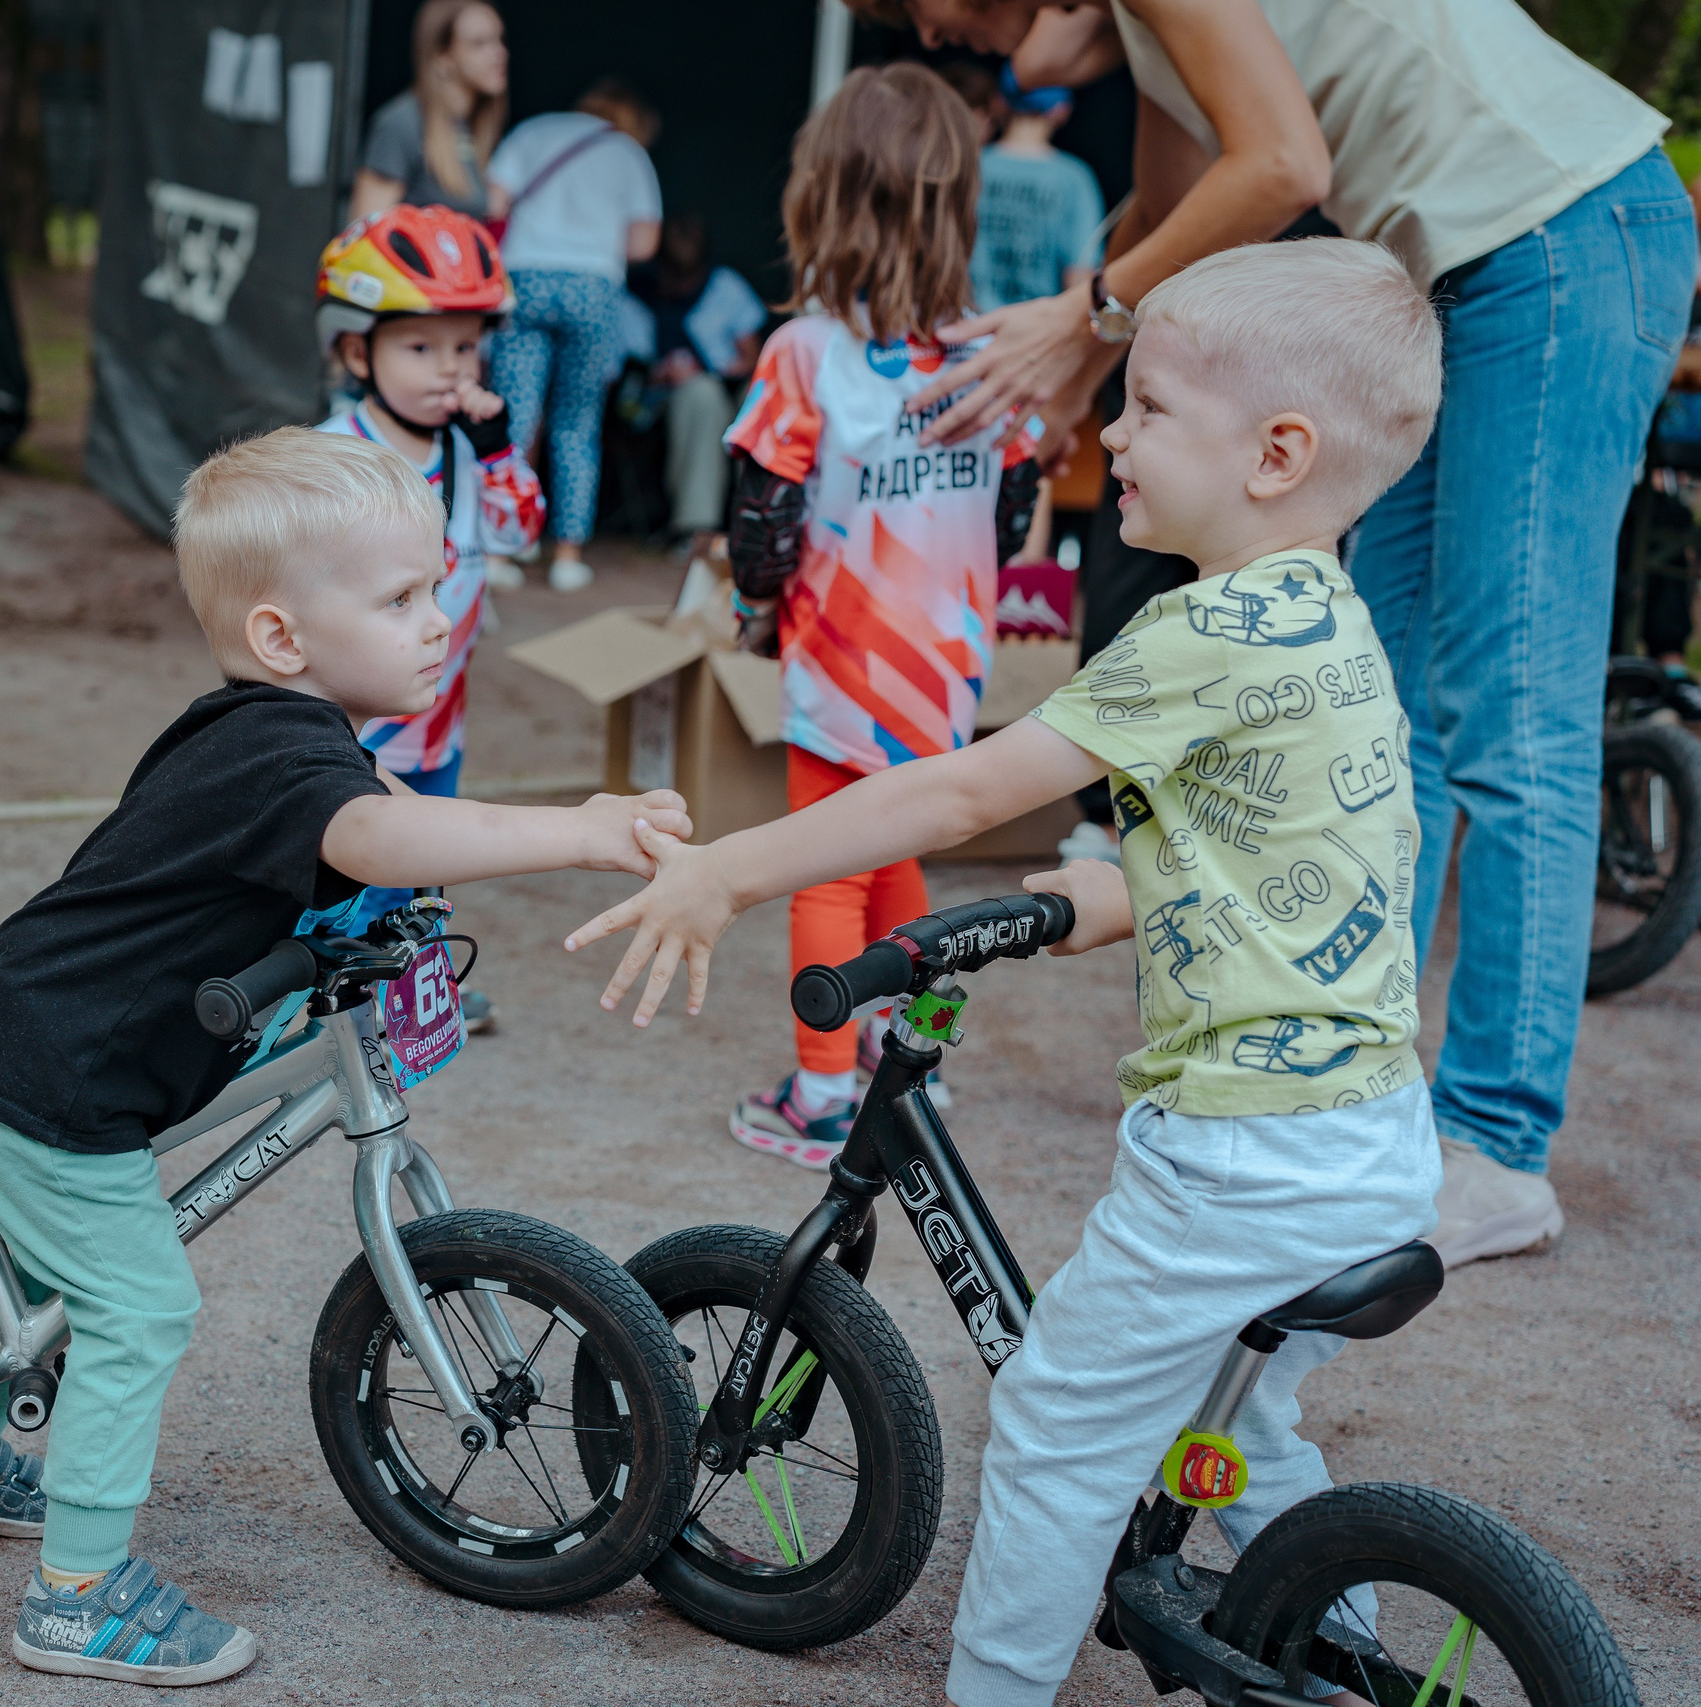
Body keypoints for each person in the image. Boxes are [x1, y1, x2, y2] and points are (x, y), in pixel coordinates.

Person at [572, 236, 1444, 1707]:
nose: (1109, 433)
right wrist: (1104, 897)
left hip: (1238, 1158)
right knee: (1245, 1419)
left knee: (1053, 1426)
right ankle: (1334, 1636)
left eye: (1152, 408)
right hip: (1368, 1139)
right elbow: (1273, 849)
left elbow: (958, 795)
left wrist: (733, 862)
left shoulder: (1197, 628)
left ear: (1278, 450)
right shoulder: (1329, 623)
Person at [883, 0, 1700, 1269]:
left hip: (1560, 240)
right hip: (1463, 273)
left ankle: (1497, 1140)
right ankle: (1355, 1098)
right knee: (1391, 704)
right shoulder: (1143, 38)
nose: (929, 31)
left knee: (1510, 714)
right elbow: (1174, 237)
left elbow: (1282, 171)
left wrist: (1082, 321)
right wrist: (1077, 374)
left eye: (915, 2)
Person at [0, 427, 691, 1687]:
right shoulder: (278, 753)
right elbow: (377, 835)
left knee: (58, 1272)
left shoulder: (274, 736)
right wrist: (581, 832)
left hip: (54, 1047)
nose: (439, 620)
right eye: (402, 598)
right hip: (58, 1077)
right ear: (281, 640)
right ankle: (74, 1598)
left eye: (437, 587)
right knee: (139, 1305)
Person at [719, 65, 1040, 1169]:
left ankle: (817, 1095)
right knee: (909, 871)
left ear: (821, 197)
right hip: (947, 664)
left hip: (841, 662)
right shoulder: (992, 346)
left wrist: (752, 605)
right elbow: (1009, 510)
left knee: (829, 871)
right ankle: (916, 1073)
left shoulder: (803, 352)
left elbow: (764, 515)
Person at [303, 204, 546, 1032]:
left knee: (428, 864)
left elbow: (520, 532)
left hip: (440, 713)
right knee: (350, 871)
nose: (449, 368)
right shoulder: (334, 453)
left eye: (466, 345)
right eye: (421, 346)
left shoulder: (471, 448)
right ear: (354, 348)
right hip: (355, 725)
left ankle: (416, 998)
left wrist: (503, 451)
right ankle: (332, 1006)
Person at [484, 79, 663, 591]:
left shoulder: (534, 130)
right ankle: (567, 555)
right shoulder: (628, 153)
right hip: (592, 286)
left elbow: (494, 203)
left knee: (514, 416)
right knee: (577, 421)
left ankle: (502, 550)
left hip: (526, 280)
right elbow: (644, 243)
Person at [620, 214, 766, 559]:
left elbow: (755, 356)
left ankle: (760, 525)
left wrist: (727, 368)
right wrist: (662, 373)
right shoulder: (634, 300)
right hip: (661, 403)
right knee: (701, 395)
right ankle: (696, 531)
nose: (683, 286)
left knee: (755, 398)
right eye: (675, 276)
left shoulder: (724, 287)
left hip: (729, 390)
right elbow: (621, 376)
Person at [350, 0, 508, 222]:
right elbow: (363, 232)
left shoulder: (467, 126)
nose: (499, 53)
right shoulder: (402, 124)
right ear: (443, 55)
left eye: (499, 40)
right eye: (479, 43)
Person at [969, 67, 1103, 312]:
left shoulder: (969, 167)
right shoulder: (1075, 179)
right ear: (1061, 111)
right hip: (1036, 331)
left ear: (999, 103)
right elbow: (1079, 276)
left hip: (966, 328)